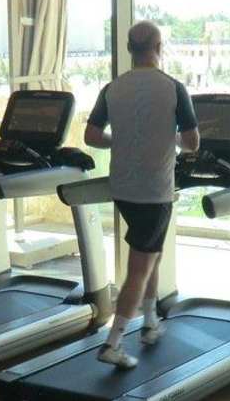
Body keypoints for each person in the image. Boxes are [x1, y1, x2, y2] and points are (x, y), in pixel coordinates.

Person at [83, 21, 200, 370]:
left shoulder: (113, 88)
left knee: (152, 255)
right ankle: (113, 342)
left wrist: (119, 141)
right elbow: (192, 142)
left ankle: (150, 322)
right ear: (159, 47)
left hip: (123, 189)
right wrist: (168, 139)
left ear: (129, 49)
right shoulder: (173, 87)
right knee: (139, 268)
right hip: (154, 192)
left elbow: (91, 136)